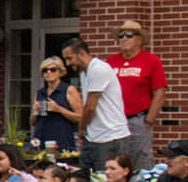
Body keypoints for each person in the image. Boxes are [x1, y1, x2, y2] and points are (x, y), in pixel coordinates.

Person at [104, 20, 167, 172]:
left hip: (138, 119)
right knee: (116, 162)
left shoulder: (151, 61)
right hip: (115, 121)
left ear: (139, 39)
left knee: (140, 162)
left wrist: (148, 121)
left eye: (129, 35)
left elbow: (159, 92)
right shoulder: (111, 61)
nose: (124, 38)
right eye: (121, 35)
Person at [62, 38, 129, 172]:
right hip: (93, 136)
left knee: (104, 179)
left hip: (110, 136)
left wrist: (81, 128)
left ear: (81, 53)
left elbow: (90, 106)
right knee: (84, 178)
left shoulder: (98, 69)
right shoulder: (84, 73)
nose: (68, 63)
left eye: (70, 58)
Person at [29, 56, 80, 151]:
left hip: (61, 139)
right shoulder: (40, 93)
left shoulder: (68, 90)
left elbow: (80, 117)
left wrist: (58, 109)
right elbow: (32, 123)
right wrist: (35, 112)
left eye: (53, 70)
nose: (49, 72)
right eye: (45, 70)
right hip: (41, 139)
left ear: (60, 72)